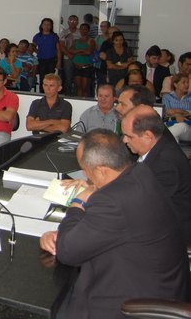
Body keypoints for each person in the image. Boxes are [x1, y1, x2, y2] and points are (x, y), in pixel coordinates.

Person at [39, 129, 189, 318]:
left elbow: (68, 252)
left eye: (86, 171)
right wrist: (96, 187)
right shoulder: (140, 172)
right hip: (163, 283)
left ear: (102, 170)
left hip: (134, 302)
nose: (86, 176)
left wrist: (78, 202)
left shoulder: (112, 202)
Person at [121, 105, 191, 242]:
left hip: (171, 238)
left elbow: (144, 208)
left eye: (128, 136)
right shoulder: (155, 147)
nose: (124, 140)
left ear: (148, 136)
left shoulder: (165, 164)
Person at [163, 73, 191, 141]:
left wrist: (179, 111)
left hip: (188, 128)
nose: (187, 85)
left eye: (188, 82)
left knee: (182, 126)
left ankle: (162, 140)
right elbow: (167, 112)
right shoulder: (167, 97)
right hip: (170, 125)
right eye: (183, 82)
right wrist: (177, 115)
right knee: (174, 137)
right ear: (175, 84)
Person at [32, 17, 60, 83]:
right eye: (45, 24)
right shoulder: (37, 36)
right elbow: (32, 47)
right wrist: (38, 52)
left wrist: (59, 62)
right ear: (41, 25)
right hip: (41, 60)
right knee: (42, 78)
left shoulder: (54, 36)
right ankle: (42, 93)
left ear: (51, 26)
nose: (46, 26)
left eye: (48, 25)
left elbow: (58, 50)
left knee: (51, 79)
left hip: (52, 60)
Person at [72, 23, 96, 97]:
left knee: (85, 88)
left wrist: (78, 51)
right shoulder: (76, 40)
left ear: (88, 30)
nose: (83, 31)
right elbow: (72, 51)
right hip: (77, 66)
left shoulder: (91, 40)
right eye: (81, 29)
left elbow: (89, 52)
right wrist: (83, 50)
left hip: (86, 67)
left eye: (85, 29)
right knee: (78, 87)